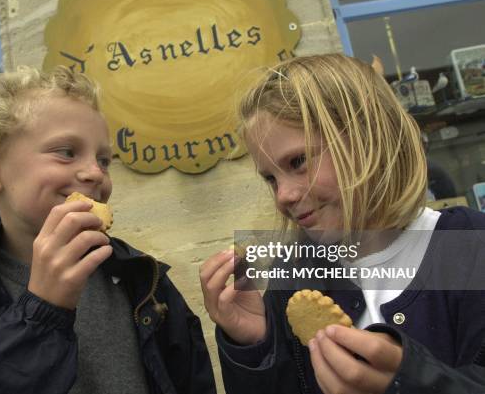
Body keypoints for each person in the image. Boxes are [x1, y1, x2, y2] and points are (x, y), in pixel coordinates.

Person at [0, 66, 216, 394]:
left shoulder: (144, 281)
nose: (95, 173)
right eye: (66, 152)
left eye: (103, 160)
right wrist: (40, 312)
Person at [199, 54, 485, 394]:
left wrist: (410, 380)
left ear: (368, 138)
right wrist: (257, 345)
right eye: (270, 179)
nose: (283, 195)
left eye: (299, 161)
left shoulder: (469, 246)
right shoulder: (294, 274)